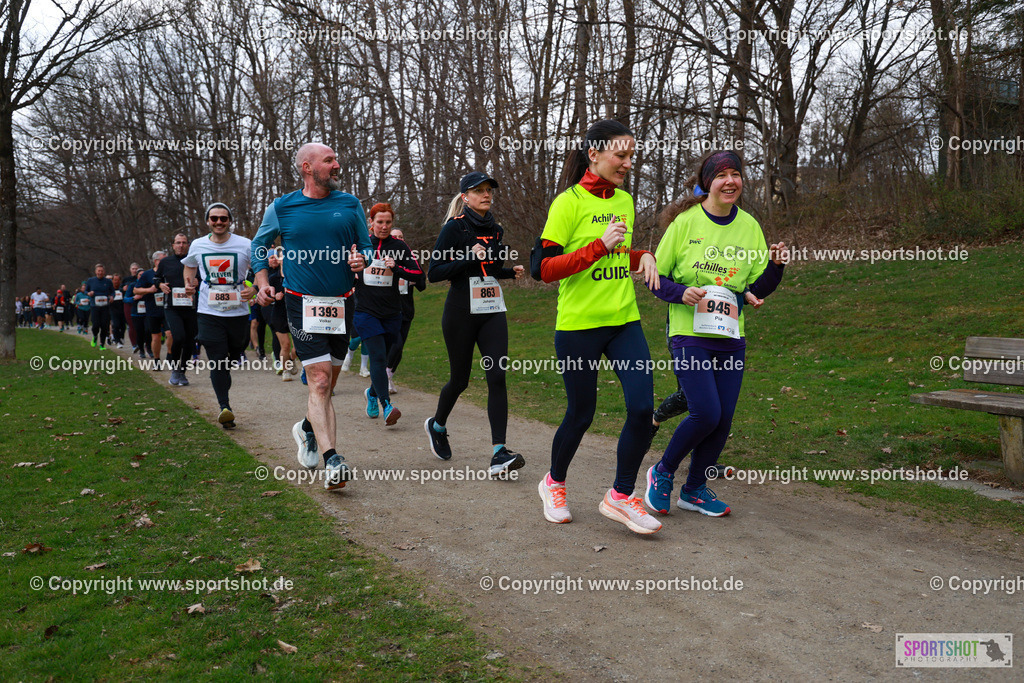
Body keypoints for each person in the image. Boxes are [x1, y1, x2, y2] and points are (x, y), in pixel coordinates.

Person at [643, 150, 787, 518]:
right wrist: (681, 293)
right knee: (705, 412)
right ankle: (662, 472)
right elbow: (656, 277)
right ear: (707, 182)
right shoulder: (686, 222)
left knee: (723, 418)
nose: (729, 181)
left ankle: (694, 490)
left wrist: (775, 266)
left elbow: (757, 284)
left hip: (730, 335)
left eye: (735, 174)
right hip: (689, 332)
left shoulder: (749, 226)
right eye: (720, 174)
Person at [536, 119, 662, 535]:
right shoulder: (567, 203)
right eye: (620, 155)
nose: (628, 163)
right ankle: (553, 483)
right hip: (578, 326)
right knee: (581, 413)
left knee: (643, 408)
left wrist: (641, 255)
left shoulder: (624, 201)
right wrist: (598, 246)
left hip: (623, 319)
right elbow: (544, 270)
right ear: (594, 154)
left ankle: (621, 495)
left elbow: (618, 254)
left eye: (630, 156)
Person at [252, 142, 371, 490]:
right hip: (301, 303)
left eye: (336, 158)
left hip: (342, 302)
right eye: (329, 160)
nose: (337, 164)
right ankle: (333, 459)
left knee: (329, 384)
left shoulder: (349, 204)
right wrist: (261, 282)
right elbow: (259, 248)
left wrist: (361, 260)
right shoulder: (282, 207)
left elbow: (364, 245)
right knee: (319, 381)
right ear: (307, 167)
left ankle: (306, 429)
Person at [424, 171, 526, 477]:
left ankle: (499, 453)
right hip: (460, 311)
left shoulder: (495, 228)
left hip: (492, 308)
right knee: (460, 380)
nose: (486, 195)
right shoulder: (454, 228)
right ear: (465, 197)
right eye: (478, 190)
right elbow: (435, 272)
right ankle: (437, 425)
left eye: (489, 190)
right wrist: (468, 256)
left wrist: (509, 272)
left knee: (497, 375)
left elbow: (489, 267)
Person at [183, 203, 255, 428]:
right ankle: (225, 408)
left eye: (223, 218)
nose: (218, 222)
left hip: (238, 312)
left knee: (232, 355)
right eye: (214, 218)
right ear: (207, 221)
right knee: (217, 360)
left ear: (229, 221)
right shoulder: (198, 244)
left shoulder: (245, 244)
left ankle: (225, 380)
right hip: (208, 310)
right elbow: (189, 265)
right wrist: (188, 282)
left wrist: (254, 289)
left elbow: (259, 269)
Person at [353, 203, 424, 426]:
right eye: (379, 222)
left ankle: (372, 393)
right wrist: (353, 269)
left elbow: (419, 275)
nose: (384, 227)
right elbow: (343, 270)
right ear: (371, 223)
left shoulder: (400, 246)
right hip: (365, 311)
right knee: (378, 357)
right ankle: (387, 406)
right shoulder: (361, 246)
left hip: (392, 312)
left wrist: (397, 268)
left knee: (389, 353)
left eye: (388, 222)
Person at [386, 227, 427, 394]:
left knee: (399, 349)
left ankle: (388, 376)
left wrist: (414, 281)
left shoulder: (410, 261)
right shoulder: (384, 260)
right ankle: (384, 376)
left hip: (407, 311)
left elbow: (422, 284)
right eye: (395, 237)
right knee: (396, 344)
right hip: (389, 309)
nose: (399, 239)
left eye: (401, 237)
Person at [157, 233, 199, 386]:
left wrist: (197, 281)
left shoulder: (194, 261)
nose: (181, 245)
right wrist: (160, 285)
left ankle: (182, 372)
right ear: (173, 245)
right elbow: (157, 278)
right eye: (178, 243)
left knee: (190, 342)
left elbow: (203, 279)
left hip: (190, 307)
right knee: (179, 337)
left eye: (184, 242)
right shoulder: (165, 262)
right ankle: (175, 370)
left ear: (188, 245)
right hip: (172, 307)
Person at [260, 249, 299, 381]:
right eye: (281, 257)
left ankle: (291, 360)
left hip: (295, 315)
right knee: (285, 345)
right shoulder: (273, 278)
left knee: (297, 347)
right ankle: (285, 371)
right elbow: (266, 297)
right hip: (279, 314)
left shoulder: (296, 277)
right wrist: (274, 296)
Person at [133, 252, 170, 369]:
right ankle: (157, 360)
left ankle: (170, 356)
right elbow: (135, 290)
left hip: (169, 309)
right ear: (156, 261)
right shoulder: (147, 274)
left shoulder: (169, 272)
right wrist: (149, 290)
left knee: (171, 334)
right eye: (163, 260)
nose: (166, 262)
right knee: (156, 337)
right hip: (153, 310)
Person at [85, 264, 115, 349]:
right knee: (95, 324)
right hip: (95, 306)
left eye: (101, 271)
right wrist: (88, 293)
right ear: (95, 272)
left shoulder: (108, 281)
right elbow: (85, 290)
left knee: (104, 325)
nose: (100, 272)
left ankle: (102, 344)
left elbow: (113, 292)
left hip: (105, 306)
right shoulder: (91, 280)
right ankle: (95, 336)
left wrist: (112, 297)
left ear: (104, 272)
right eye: (98, 271)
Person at [109, 274, 126, 348]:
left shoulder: (122, 289)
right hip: (113, 310)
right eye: (115, 280)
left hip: (122, 310)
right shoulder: (109, 290)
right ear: (112, 281)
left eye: (118, 280)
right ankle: (117, 341)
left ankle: (121, 337)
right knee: (116, 325)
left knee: (123, 326)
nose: (116, 282)